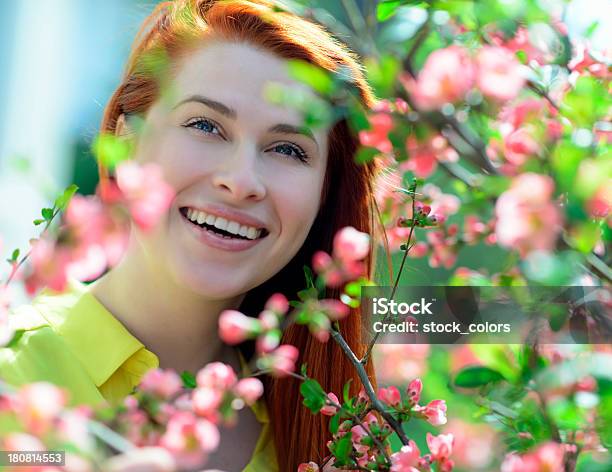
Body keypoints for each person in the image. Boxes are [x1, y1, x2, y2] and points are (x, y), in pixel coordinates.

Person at [0, 0, 383, 470]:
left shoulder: (332, 439)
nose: (241, 180)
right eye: (205, 125)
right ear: (126, 143)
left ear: (325, 194)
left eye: (287, 148)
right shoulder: (12, 373)